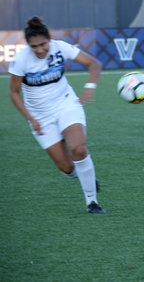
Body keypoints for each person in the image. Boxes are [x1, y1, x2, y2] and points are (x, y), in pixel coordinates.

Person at [8, 17, 106, 214]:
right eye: (34, 46)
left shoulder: (60, 47)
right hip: (40, 117)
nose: (40, 50)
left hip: (66, 104)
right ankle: (84, 175)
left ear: (49, 39)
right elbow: (14, 92)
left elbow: (94, 64)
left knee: (78, 149)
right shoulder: (21, 60)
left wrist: (89, 87)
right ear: (28, 45)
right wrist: (31, 119)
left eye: (43, 44)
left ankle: (92, 202)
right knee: (67, 168)